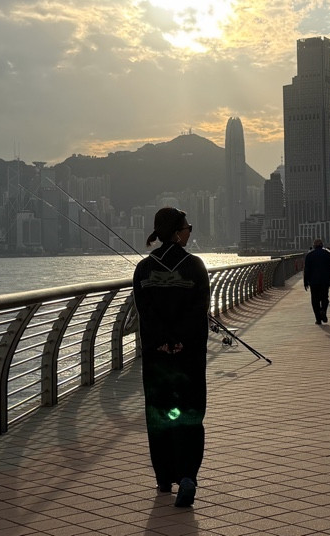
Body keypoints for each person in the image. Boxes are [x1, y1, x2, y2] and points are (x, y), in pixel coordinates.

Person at [132, 207, 210, 508]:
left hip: (157, 358)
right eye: (187, 227)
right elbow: (199, 309)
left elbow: (145, 311)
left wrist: (163, 342)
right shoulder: (195, 266)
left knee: (159, 413)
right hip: (189, 356)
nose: (190, 231)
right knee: (190, 412)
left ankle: (164, 476)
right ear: (177, 233)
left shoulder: (143, 268)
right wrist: (180, 341)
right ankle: (188, 475)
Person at [303, 238, 330, 325]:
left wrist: (305, 282)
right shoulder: (328, 254)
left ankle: (318, 319)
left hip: (313, 281)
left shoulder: (309, 255)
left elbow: (306, 270)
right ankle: (323, 310)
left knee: (315, 300)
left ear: (314, 246)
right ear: (322, 245)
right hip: (325, 280)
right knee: (325, 297)